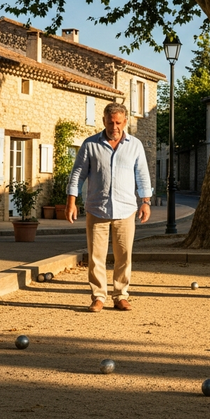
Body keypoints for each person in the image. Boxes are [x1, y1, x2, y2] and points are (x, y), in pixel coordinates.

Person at [66, 102, 153, 312]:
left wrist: (146, 202)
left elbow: (142, 174)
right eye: (110, 122)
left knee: (124, 255)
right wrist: (71, 201)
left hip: (126, 209)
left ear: (124, 122)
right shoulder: (90, 145)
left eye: (118, 122)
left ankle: (121, 295)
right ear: (103, 120)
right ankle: (98, 297)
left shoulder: (135, 145)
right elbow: (77, 174)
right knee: (96, 256)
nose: (114, 126)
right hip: (97, 209)